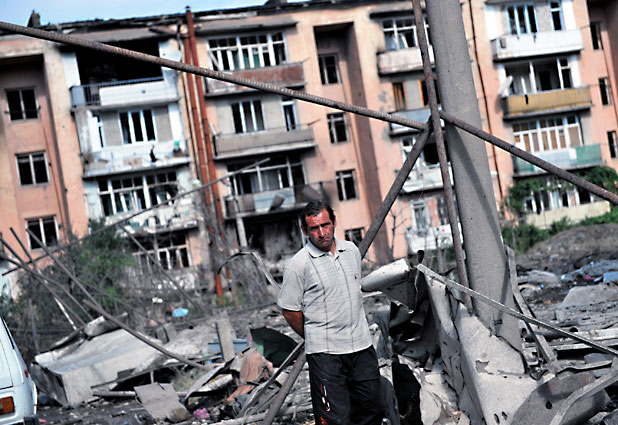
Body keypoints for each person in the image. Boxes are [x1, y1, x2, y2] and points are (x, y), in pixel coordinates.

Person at [277, 200, 385, 425]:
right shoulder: (298, 264)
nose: (321, 233)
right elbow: (290, 311)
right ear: (304, 230)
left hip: (361, 347)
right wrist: (315, 335)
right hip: (326, 354)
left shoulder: (351, 251)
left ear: (334, 222)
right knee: (334, 419)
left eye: (325, 225)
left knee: (372, 408)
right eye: (314, 228)